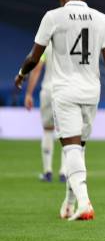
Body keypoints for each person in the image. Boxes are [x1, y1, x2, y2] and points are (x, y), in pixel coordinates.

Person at [14, 0, 105, 221]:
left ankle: (85, 202)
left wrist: (22, 74)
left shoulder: (53, 17)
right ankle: (68, 203)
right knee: (78, 148)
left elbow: (35, 57)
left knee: (71, 148)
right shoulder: (102, 19)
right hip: (91, 92)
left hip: (65, 91)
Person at [24, 44, 67, 182]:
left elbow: (36, 68)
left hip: (48, 91)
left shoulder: (45, 45)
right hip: (65, 92)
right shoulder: (71, 42)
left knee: (48, 130)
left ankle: (47, 172)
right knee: (67, 133)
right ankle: (64, 172)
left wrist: (29, 93)